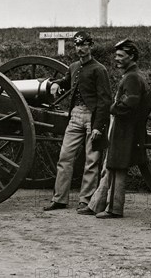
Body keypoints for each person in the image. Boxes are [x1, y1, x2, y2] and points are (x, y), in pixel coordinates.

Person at [78, 39, 148, 218]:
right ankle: (96, 204)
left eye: (120, 56)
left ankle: (114, 208)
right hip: (121, 127)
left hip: (125, 129)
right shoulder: (131, 75)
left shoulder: (132, 77)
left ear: (131, 57)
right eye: (116, 55)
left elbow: (130, 103)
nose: (116, 59)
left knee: (117, 167)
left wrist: (112, 107)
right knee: (109, 167)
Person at [44, 31, 112, 212]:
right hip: (74, 116)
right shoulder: (74, 66)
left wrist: (98, 126)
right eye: (77, 45)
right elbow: (68, 82)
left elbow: (105, 100)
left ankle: (86, 200)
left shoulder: (99, 69)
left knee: (91, 160)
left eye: (83, 45)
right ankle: (59, 199)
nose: (80, 49)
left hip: (92, 116)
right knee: (64, 157)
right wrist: (57, 83)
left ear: (91, 46)